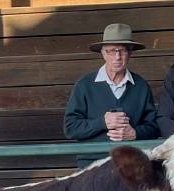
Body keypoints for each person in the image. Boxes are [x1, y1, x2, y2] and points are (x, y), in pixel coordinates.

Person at [64, 23, 159, 167]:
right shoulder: (85, 85)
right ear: (103, 54)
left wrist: (135, 133)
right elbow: (70, 128)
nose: (117, 57)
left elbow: (154, 127)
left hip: (131, 165)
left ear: (130, 53)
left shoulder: (141, 86)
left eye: (122, 51)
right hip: (92, 166)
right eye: (111, 51)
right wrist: (102, 122)